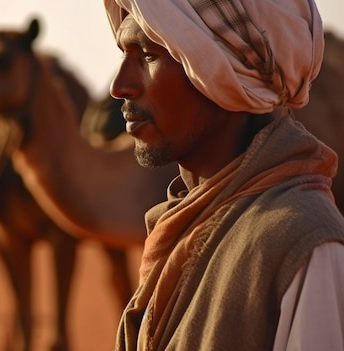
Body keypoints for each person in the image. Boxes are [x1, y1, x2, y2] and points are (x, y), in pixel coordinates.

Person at [103, 0, 344, 350]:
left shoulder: (303, 245)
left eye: (148, 56)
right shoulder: (180, 228)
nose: (119, 86)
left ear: (223, 72)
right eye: (123, 54)